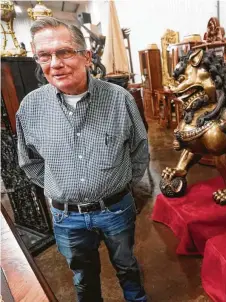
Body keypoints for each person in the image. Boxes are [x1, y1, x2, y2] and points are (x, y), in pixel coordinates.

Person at [16, 17, 149, 302]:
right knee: (83, 278)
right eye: (45, 55)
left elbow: (139, 151)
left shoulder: (119, 99)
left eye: (64, 51)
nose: (55, 63)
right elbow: (29, 162)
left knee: (127, 266)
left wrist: (118, 184)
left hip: (116, 209)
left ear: (86, 56)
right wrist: (60, 187)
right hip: (66, 217)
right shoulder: (30, 107)